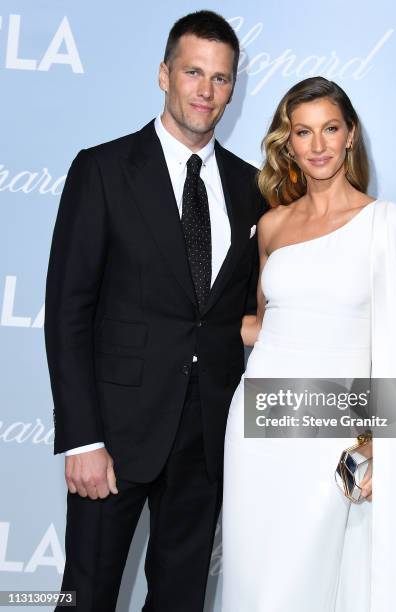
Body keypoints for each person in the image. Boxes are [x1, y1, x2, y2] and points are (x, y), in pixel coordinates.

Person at [44, 10, 266, 612]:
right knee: (82, 595)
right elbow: (68, 312)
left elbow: (242, 316)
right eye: (193, 72)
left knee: (180, 599)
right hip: (113, 438)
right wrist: (82, 438)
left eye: (221, 78)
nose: (206, 90)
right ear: (163, 74)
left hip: (206, 441)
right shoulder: (104, 170)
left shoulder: (253, 189)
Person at [221, 77, 396, 611]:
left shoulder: (387, 224)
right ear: (286, 144)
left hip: (334, 430)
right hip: (259, 425)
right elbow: (265, 329)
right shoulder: (271, 226)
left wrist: (377, 442)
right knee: (257, 584)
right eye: (302, 132)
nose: (318, 146)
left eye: (330, 129)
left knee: (316, 584)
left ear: (350, 135)